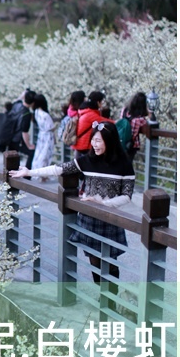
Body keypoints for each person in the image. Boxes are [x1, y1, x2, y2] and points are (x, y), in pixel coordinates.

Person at [9, 121, 135, 286]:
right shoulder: (87, 160)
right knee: (94, 260)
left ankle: (111, 298)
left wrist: (104, 203)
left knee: (110, 261)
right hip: (89, 219)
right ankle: (103, 296)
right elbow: (58, 169)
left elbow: (127, 196)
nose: (94, 144)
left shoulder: (124, 164)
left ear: (109, 141)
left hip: (109, 218)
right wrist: (29, 172)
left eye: (98, 141)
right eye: (93, 140)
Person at [119, 91, 150, 160]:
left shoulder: (124, 110)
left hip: (120, 141)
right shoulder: (139, 119)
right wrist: (150, 114)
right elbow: (149, 123)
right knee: (127, 164)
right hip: (131, 145)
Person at [31, 93, 56, 173]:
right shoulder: (45, 115)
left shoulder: (36, 112)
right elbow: (51, 128)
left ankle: (38, 172)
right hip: (48, 136)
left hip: (41, 135)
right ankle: (43, 174)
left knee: (40, 154)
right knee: (46, 155)